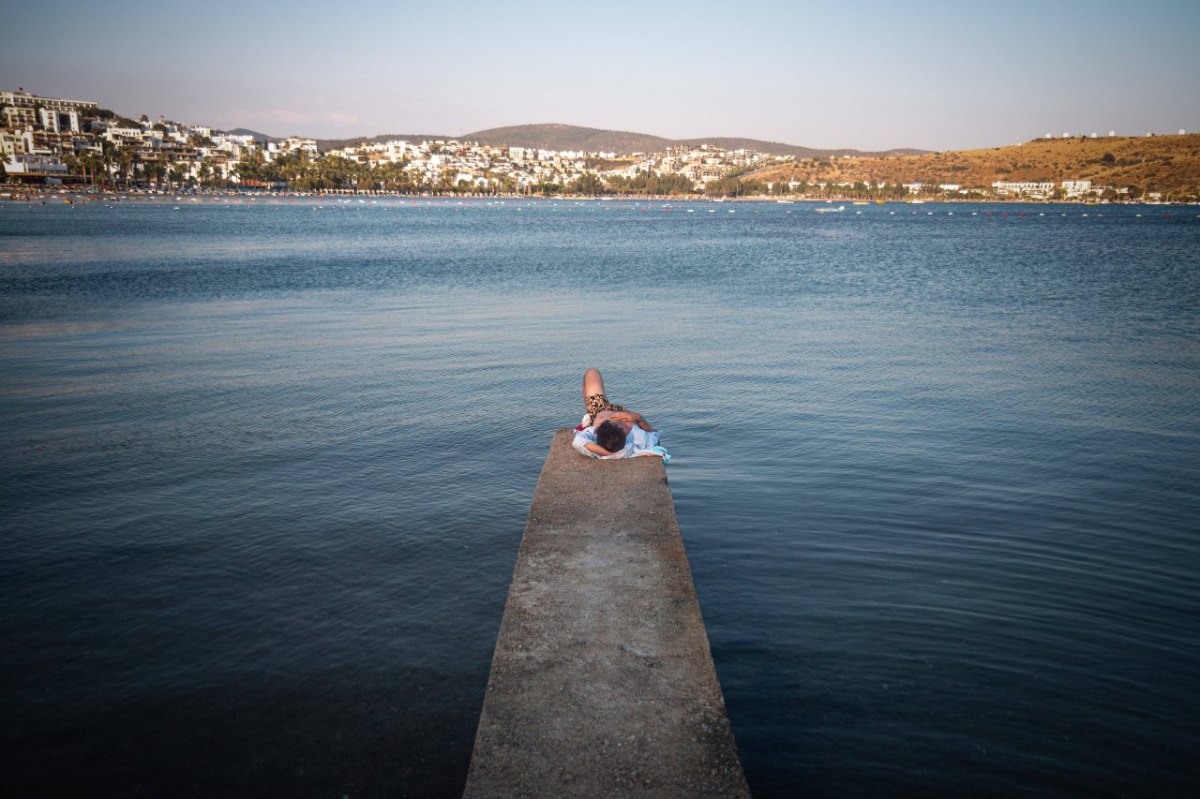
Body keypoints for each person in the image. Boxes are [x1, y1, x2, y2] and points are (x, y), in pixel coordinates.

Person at [572, 368, 669, 461]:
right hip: (625, 412)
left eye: (604, 424)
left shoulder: (594, 435)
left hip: (598, 409)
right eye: (616, 424)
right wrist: (638, 418)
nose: (612, 421)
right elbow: (654, 433)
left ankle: (588, 413)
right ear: (622, 430)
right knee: (592, 373)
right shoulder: (638, 438)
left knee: (592, 372)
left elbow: (577, 441)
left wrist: (609, 454)